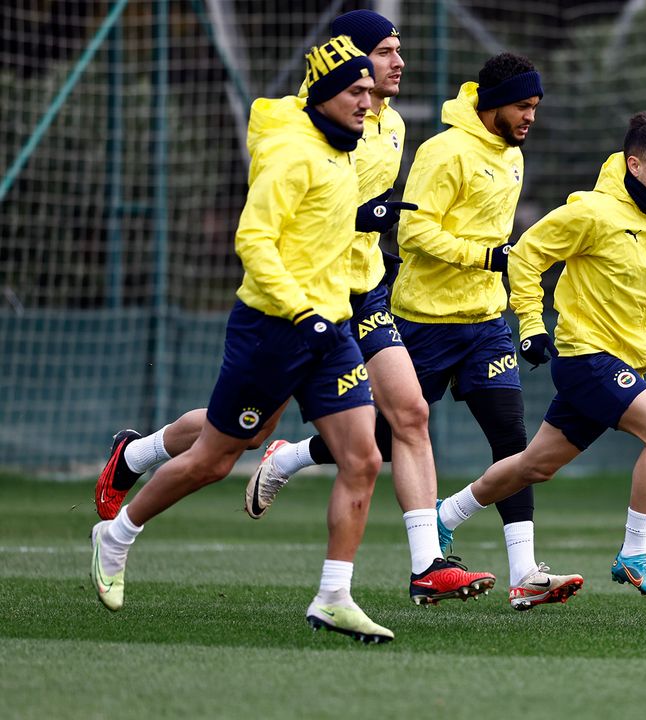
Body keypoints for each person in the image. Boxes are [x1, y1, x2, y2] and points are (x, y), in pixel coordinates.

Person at [91, 12, 495, 607]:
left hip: (360, 294)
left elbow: (355, 208)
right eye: (385, 51)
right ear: (347, 62)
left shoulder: (391, 124)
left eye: (399, 50)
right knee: (238, 441)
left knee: (407, 416)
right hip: (296, 302)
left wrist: (372, 231)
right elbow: (278, 222)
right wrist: (356, 220)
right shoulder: (293, 129)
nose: (398, 63)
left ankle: (424, 566)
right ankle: (137, 458)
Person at [90, 36, 395, 642]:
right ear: (324, 94)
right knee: (214, 460)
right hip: (272, 330)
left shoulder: (344, 147)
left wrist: (362, 226)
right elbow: (254, 241)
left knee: (364, 458)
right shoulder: (292, 152)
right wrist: (300, 310)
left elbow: (317, 228)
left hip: (330, 329)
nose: (367, 102)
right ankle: (117, 535)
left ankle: (333, 597)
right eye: (355, 91)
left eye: (369, 90)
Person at [255, 52, 583, 612]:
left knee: (511, 439)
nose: (531, 117)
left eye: (535, 107)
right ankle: (289, 458)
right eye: (524, 106)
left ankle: (525, 573)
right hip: (424, 320)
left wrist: (515, 300)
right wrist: (485, 257)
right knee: (384, 441)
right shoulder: (443, 151)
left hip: (486, 323)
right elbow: (412, 233)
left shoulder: (512, 154)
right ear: (494, 104)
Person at [434, 112, 646, 600]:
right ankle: (634, 554)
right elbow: (526, 255)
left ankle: (445, 515)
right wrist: (532, 324)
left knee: (534, 466)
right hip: (588, 358)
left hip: (628, 365)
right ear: (634, 165)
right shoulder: (591, 212)